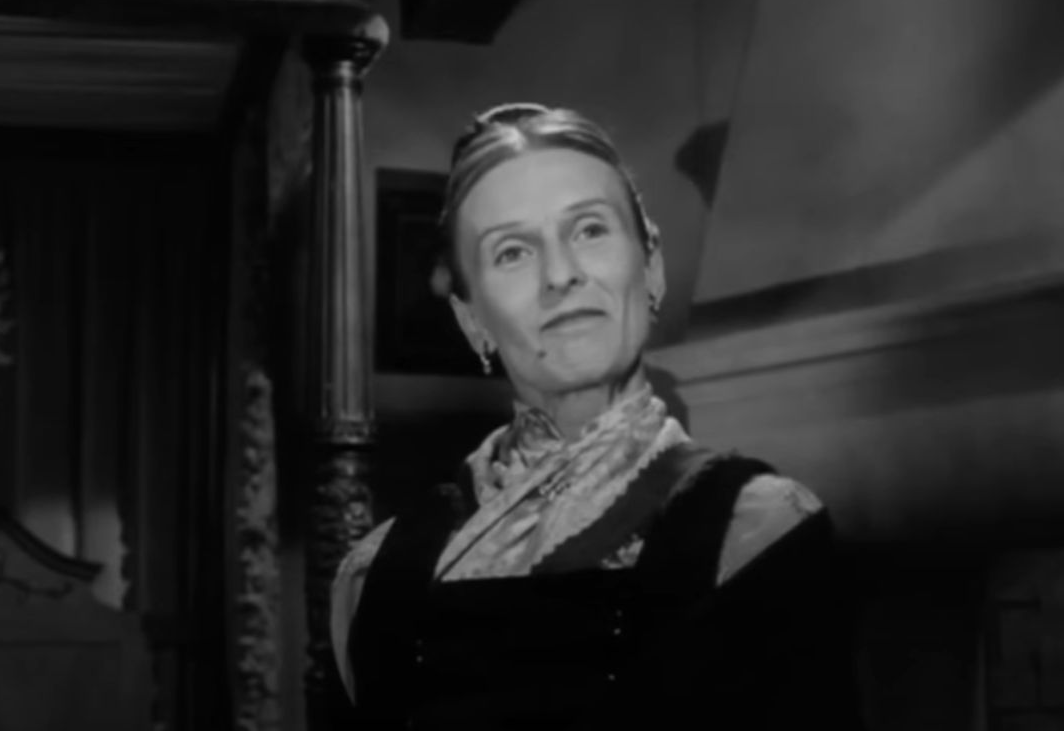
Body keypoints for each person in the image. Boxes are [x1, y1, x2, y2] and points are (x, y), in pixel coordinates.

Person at [329, 103, 863, 730]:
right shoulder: (373, 577)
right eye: (512, 252)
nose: (561, 275)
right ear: (471, 319)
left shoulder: (761, 529)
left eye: (588, 230)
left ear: (651, 265)